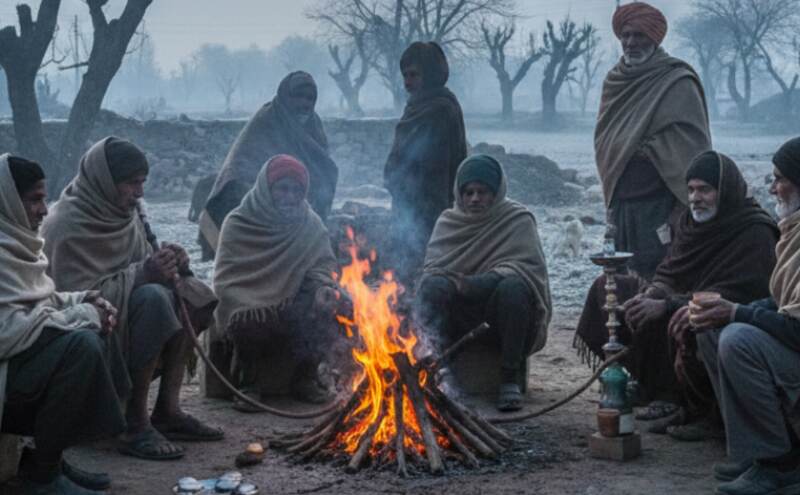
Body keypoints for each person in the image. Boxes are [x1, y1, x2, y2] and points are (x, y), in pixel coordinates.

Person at [41, 137, 222, 462]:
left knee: (194, 296)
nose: (139, 193)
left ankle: (167, 410)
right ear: (105, 181)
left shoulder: (127, 214)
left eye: (142, 183)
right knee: (153, 299)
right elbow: (70, 299)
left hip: (129, 316)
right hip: (85, 334)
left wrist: (174, 262)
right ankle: (133, 423)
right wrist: (144, 274)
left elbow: (143, 264)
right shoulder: (65, 223)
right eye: (131, 183)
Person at [575, 152, 779, 434]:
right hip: (681, 298)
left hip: (727, 314)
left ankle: (698, 410)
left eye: (705, 189)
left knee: (687, 320)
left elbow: (741, 293)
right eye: (691, 189)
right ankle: (647, 385)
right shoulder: (690, 223)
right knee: (610, 289)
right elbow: (670, 270)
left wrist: (668, 304)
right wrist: (655, 292)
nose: (695, 197)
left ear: (726, 190)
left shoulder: (754, 231)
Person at [0, 154, 128, 494]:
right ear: (8, 200)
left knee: (93, 330)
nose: (43, 209)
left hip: (17, 368)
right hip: (4, 379)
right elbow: (6, 332)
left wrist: (85, 300)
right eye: (34, 199)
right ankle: (43, 477)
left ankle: (50, 459)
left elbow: (42, 299)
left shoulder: (19, 243)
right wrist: (82, 317)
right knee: (81, 346)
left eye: (45, 198)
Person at [694, 137, 800, 495]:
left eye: (780, 178)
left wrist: (738, 311)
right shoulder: (793, 233)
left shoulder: (761, 229)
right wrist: (726, 311)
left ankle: (779, 463)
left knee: (737, 338)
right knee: (713, 329)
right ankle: (756, 449)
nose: (773, 188)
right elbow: (782, 301)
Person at [414, 154, 552, 412]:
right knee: (432, 287)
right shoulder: (448, 221)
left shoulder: (516, 220)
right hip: (460, 314)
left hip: (501, 315)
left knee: (515, 287)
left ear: (496, 192)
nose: (475, 199)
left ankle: (509, 379)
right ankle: (441, 370)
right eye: (468, 192)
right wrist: (456, 284)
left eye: (483, 191)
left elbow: (527, 270)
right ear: (460, 194)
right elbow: (434, 269)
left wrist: (478, 283)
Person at [213, 155, 342, 408]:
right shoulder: (239, 223)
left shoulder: (310, 223)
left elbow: (323, 265)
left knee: (333, 304)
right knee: (246, 318)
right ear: (266, 189)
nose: (290, 196)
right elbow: (227, 281)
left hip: (292, 302)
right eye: (282, 188)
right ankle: (248, 385)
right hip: (252, 304)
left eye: (297, 190)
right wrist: (254, 302)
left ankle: (305, 378)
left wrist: (322, 287)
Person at [595, 1, 711, 279]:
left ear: (654, 38)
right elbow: (606, 138)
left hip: (662, 203)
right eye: (625, 35)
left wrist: (646, 148)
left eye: (639, 35)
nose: (631, 42)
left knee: (659, 276)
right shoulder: (615, 81)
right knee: (620, 278)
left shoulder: (677, 80)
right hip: (622, 201)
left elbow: (691, 144)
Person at [200, 71, 338, 260]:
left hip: (297, 196)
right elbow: (243, 164)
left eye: (309, 98)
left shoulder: (313, 124)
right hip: (257, 192)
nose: (304, 103)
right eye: (298, 97)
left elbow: (323, 165)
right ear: (286, 96)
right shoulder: (267, 119)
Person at [384, 41, 467, 285]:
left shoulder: (441, 109)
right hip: (406, 202)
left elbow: (438, 165)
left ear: (430, 74)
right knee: (403, 270)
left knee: (422, 269)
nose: (408, 82)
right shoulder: (416, 106)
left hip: (429, 206)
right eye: (405, 75)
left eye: (414, 75)